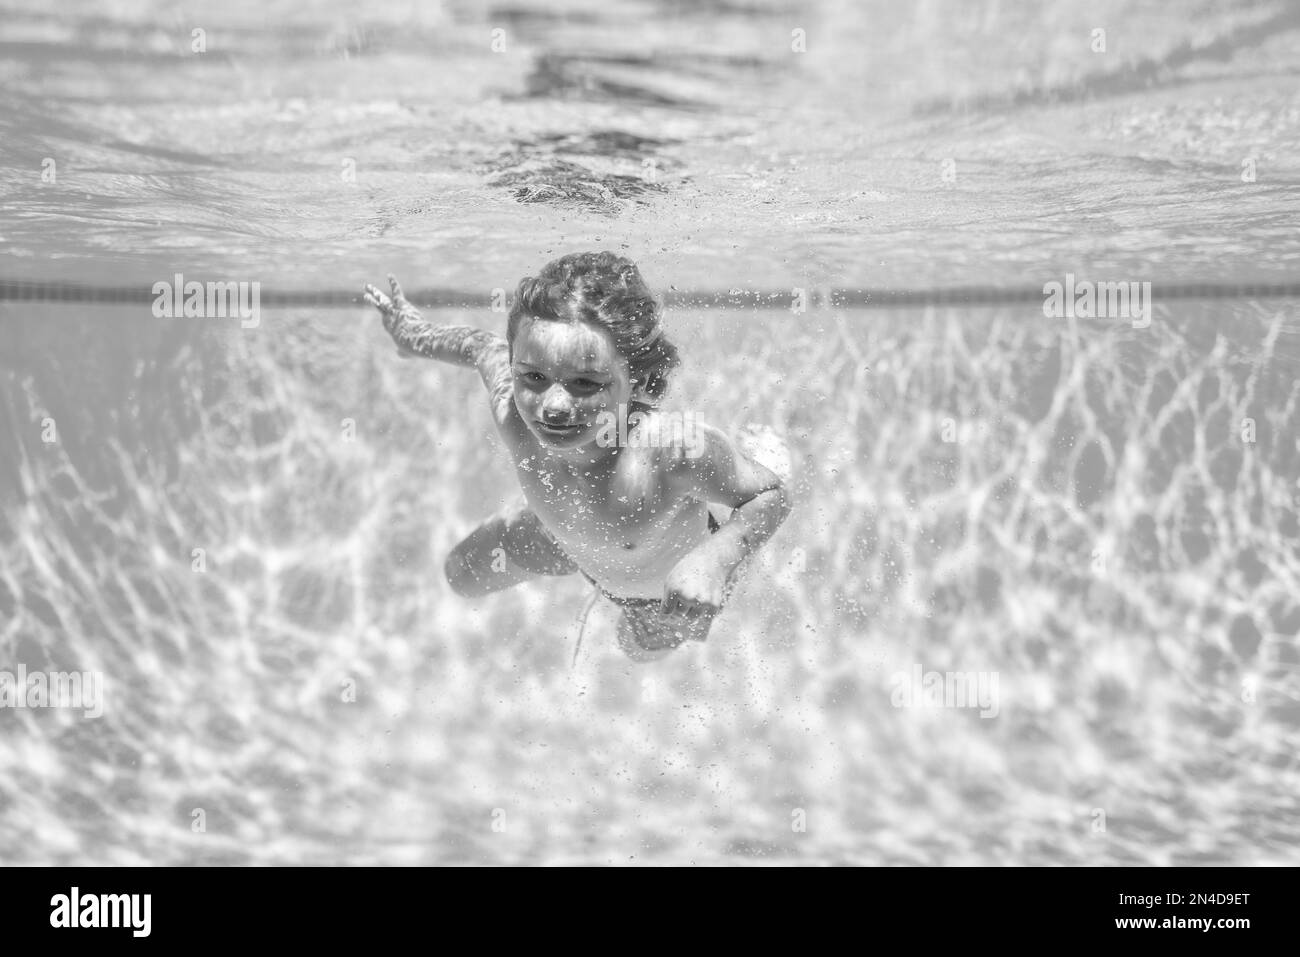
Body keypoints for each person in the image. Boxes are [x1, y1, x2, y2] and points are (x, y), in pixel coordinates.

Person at [363, 252, 791, 660]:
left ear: (636, 379)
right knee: (461, 575)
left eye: (585, 383)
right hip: (562, 537)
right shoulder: (512, 408)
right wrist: (410, 336)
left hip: (654, 592)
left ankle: (759, 451)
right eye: (533, 376)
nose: (553, 406)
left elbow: (771, 496)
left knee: (635, 651)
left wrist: (715, 559)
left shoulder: (671, 449)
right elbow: (479, 347)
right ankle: (568, 535)